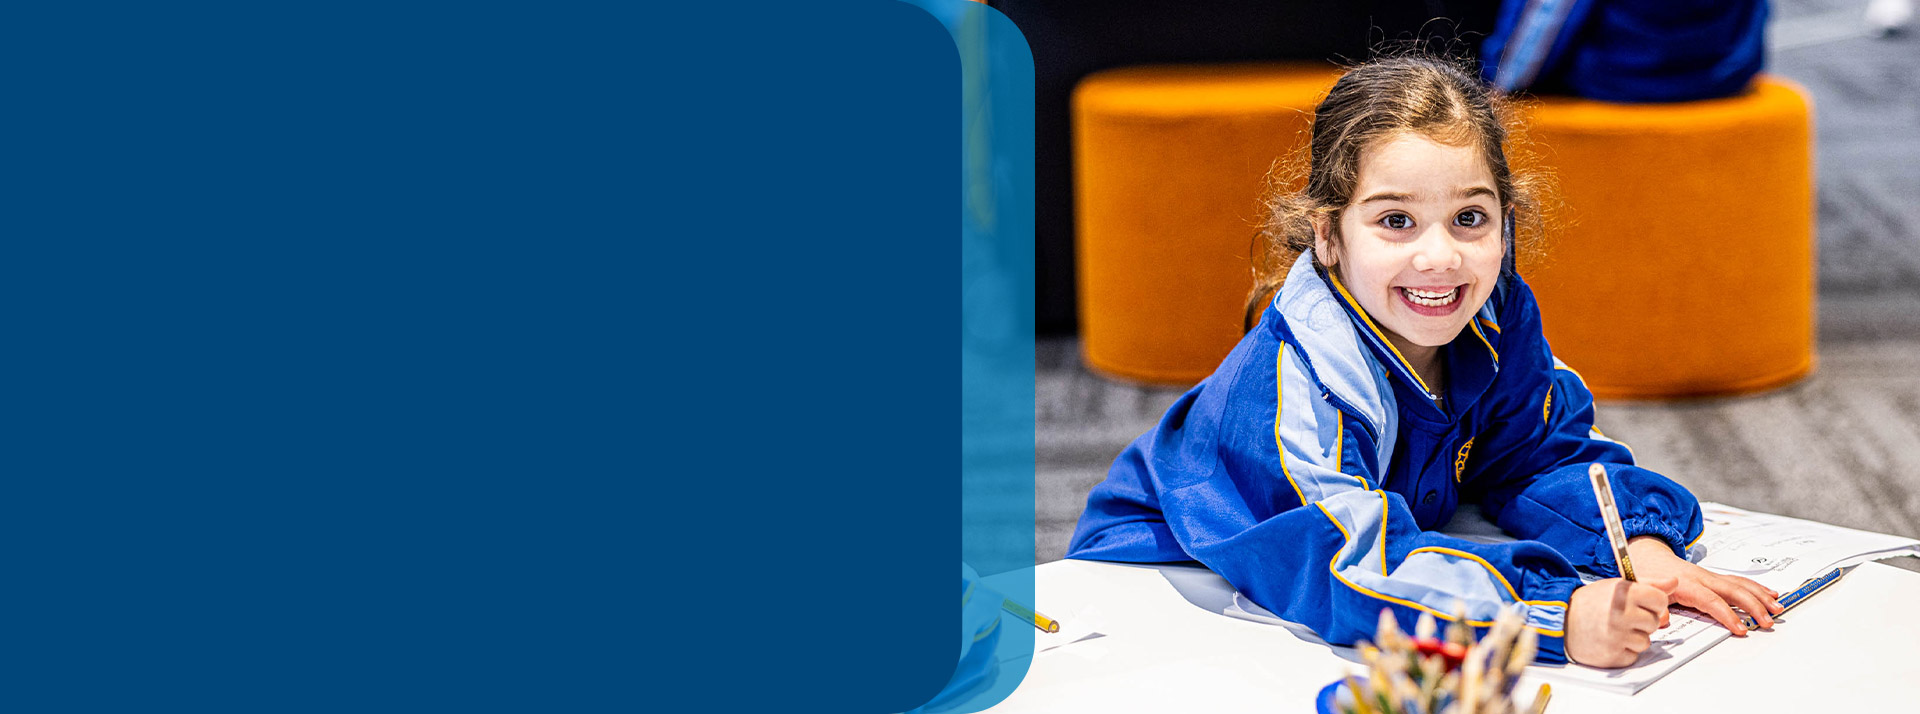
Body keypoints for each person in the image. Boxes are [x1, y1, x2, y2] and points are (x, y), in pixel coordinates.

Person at [1066, 55, 1784, 668]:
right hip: (1173, 589)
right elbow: (1343, 564)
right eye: (1395, 220)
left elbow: (1540, 457)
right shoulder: (1290, 382)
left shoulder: (1496, 310)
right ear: (1328, 235)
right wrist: (1552, 613)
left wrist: (1637, 550)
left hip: (1341, 579)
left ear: (1507, 218)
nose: (1439, 256)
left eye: (1469, 218)